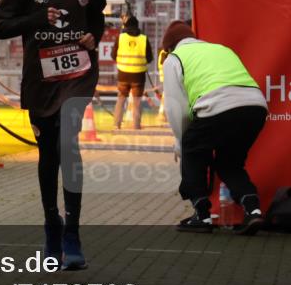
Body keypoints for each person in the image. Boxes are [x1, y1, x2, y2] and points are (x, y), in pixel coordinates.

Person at [0, 0, 106, 270]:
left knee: (68, 147)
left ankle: (72, 232)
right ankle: (51, 226)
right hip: (41, 80)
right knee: (49, 153)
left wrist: (92, 36)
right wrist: (37, 19)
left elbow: (97, 19)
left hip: (78, 75)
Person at [160, 20, 268, 235]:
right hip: (255, 107)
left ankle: (202, 215)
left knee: (193, 150)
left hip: (217, 106)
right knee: (230, 163)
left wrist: (181, 141)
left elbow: (176, 109)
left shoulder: (174, 58)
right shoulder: (220, 48)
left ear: (170, 46)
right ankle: (253, 209)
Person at [111, 15, 153, 130]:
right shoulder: (143, 39)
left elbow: (113, 55)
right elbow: (149, 58)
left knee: (121, 99)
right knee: (137, 101)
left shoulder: (120, 38)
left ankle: (116, 124)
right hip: (138, 76)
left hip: (123, 74)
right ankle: (136, 125)